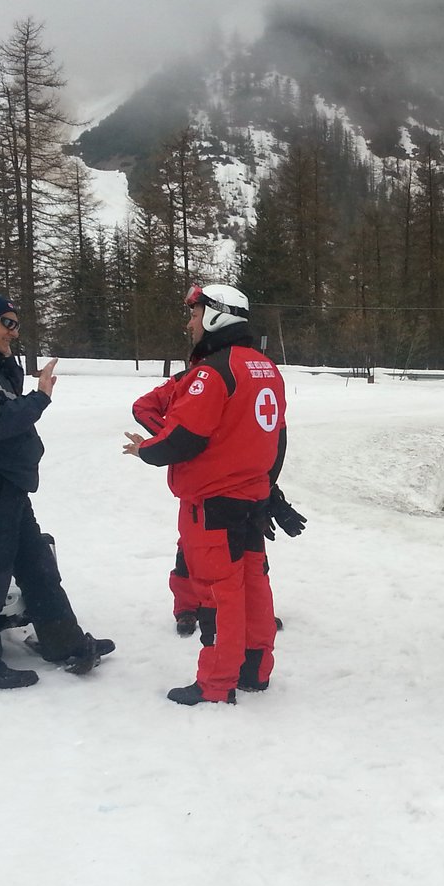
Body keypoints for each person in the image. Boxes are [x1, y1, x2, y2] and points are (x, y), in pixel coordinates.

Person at [0, 287, 113, 690]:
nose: (14, 332)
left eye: (16, 325)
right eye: (7, 323)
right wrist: (40, 398)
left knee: (37, 566)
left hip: (4, 482)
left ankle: (63, 643)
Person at [123, 284, 289, 705]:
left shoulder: (211, 373)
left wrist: (145, 449)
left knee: (219, 593)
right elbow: (278, 438)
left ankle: (216, 683)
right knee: (254, 586)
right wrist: (267, 488)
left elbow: (181, 441)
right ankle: (255, 669)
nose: (189, 322)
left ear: (217, 315)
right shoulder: (266, 368)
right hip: (251, 499)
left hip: (213, 505)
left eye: (195, 314)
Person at [131, 374, 204, 636]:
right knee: (189, 549)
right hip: (193, 482)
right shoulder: (183, 380)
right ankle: (186, 607)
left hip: (232, 477)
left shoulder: (232, 375)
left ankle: (246, 608)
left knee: (240, 550)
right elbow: (142, 406)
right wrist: (169, 438)